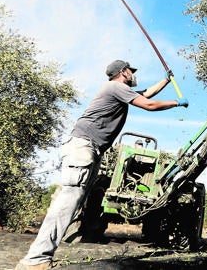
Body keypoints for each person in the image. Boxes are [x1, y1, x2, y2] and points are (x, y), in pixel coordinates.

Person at [15, 60, 188, 270]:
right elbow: (148, 104)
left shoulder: (119, 90)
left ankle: (40, 258)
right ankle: (35, 260)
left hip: (90, 149)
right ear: (123, 73)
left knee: (73, 203)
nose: (134, 75)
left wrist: (165, 80)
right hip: (83, 147)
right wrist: (176, 103)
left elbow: (147, 94)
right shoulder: (115, 87)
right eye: (131, 72)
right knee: (67, 203)